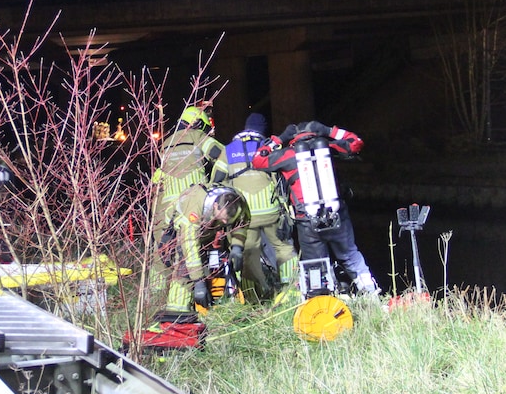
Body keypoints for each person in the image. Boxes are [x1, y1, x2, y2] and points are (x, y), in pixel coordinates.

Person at [252, 121, 378, 296]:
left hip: (307, 219)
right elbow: (356, 142)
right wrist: (330, 130)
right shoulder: (328, 148)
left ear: (293, 139)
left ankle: (323, 302)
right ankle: (371, 295)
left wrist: (279, 139)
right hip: (336, 213)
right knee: (350, 256)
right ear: (314, 134)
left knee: (316, 266)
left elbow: (258, 160)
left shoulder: (287, 155)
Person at [223, 112, 299, 302]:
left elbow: (220, 181)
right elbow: (281, 178)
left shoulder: (229, 150)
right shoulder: (266, 147)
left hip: (243, 215)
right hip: (271, 210)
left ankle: (253, 296)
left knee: (249, 253)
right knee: (283, 248)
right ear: (262, 130)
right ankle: (290, 292)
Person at [154, 184, 251, 324]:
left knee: (220, 265)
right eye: (223, 218)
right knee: (184, 271)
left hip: (208, 228)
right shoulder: (195, 204)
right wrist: (199, 282)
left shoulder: (238, 201)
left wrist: (237, 246)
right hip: (181, 229)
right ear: (216, 205)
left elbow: (242, 223)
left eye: (228, 220)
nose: (225, 222)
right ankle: (176, 315)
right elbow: (190, 247)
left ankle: (217, 307)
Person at [151, 103, 228, 236]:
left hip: (168, 206)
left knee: (166, 249)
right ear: (197, 124)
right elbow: (223, 153)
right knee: (197, 243)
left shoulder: (166, 143)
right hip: (194, 200)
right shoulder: (196, 136)